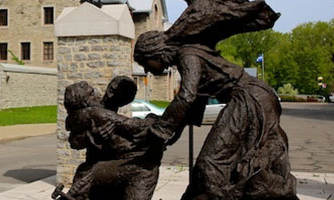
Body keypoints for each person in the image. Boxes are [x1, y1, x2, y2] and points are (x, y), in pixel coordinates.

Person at [133, 0, 298, 199]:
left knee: (210, 165)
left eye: (145, 62)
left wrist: (160, 131)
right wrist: (169, 135)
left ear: (154, 52)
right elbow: (192, 104)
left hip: (250, 97)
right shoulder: (190, 54)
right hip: (254, 96)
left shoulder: (187, 55)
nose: (147, 70)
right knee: (213, 168)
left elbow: (186, 97)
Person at [52, 77, 181, 200]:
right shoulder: (97, 114)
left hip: (113, 162)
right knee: (144, 170)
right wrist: (153, 119)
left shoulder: (84, 116)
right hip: (110, 165)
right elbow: (135, 126)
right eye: (92, 94)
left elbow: (75, 141)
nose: (98, 95)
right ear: (85, 100)